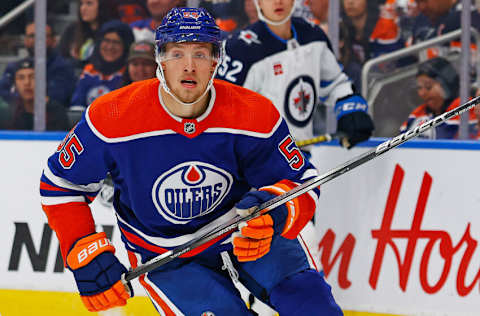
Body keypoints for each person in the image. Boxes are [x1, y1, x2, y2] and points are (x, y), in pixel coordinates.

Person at [40, 7, 343, 315]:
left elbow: (302, 182)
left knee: (314, 306)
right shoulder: (112, 117)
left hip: (246, 235)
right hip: (168, 256)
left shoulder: (253, 113)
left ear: (216, 61)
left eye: (200, 54)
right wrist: (81, 247)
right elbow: (60, 184)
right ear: (160, 58)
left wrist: (274, 213)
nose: (188, 67)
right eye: (176, 54)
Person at [218, 0, 374, 150]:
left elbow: (334, 83)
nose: (278, 2)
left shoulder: (313, 35)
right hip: (254, 161)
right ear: (259, 2)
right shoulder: (239, 49)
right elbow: (220, 110)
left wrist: (351, 110)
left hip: (299, 156)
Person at [0, 21, 76, 107]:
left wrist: (24, 98)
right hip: (18, 116)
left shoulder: (63, 67)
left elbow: (57, 98)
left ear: (54, 41)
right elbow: (3, 92)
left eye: (42, 36)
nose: (37, 40)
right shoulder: (14, 67)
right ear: (25, 41)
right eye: (32, 36)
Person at [400, 57, 478, 139]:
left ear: (447, 86)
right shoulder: (417, 114)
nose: (422, 93)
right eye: (419, 88)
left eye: (428, 86)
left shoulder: (467, 108)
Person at [70, 20, 134, 109]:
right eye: (106, 40)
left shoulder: (130, 73)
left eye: (116, 42)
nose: (110, 47)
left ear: (126, 46)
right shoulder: (89, 70)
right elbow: (77, 105)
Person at [0, 58, 69, 131]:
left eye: (32, 77)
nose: (27, 83)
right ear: (15, 84)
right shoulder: (10, 113)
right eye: (21, 78)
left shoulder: (57, 113)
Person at [57, 0, 119, 69]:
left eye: (89, 3)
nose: (83, 8)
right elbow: (61, 59)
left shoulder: (113, 32)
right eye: (81, 4)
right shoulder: (72, 30)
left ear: (102, 6)